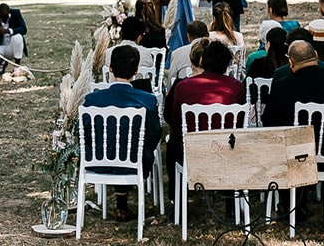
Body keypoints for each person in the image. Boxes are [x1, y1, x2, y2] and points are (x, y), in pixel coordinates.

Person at [81, 44, 162, 221]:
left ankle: (121, 205)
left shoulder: (92, 100)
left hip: (97, 162)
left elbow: (85, 134)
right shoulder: (147, 100)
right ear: (136, 71)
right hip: (135, 162)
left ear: (110, 68)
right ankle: (123, 205)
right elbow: (155, 134)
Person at [164, 39, 246, 169]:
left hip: (191, 151)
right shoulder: (236, 86)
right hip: (227, 148)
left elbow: (175, 121)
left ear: (203, 61)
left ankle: (176, 187)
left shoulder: (184, 86)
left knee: (173, 143)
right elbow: (241, 123)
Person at [263, 40, 324, 127]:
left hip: (297, 142)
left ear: (291, 62)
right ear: (316, 55)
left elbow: (269, 120)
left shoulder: (281, 86)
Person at [0, 2, 28, 75]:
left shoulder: (16, 14)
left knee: (18, 37)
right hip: (2, 47)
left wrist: (7, 31)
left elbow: (24, 29)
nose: (3, 19)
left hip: (14, 47)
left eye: (5, 17)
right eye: (1, 17)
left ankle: (16, 66)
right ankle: (2, 62)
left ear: (9, 13)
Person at [166, 20, 211, 85]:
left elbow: (171, 80)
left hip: (185, 91)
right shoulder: (218, 51)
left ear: (188, 36)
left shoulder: (177, 53)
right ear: (207, 34)